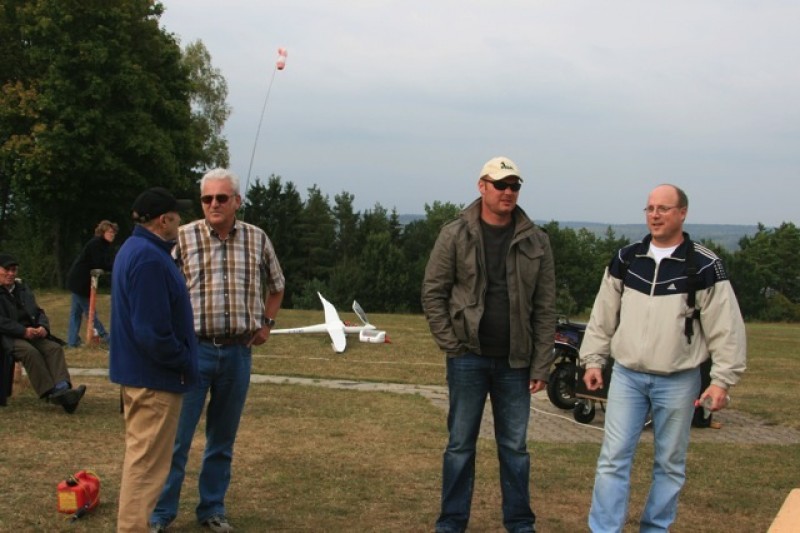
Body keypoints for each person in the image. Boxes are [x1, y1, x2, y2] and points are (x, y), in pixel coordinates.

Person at [579, 184, 747, 532]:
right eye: (650, 208)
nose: (655, 215)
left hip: (679, 379)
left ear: (682, 213)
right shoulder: (627, 259)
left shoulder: (705, 265)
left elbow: (726, 327)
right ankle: (604, 528)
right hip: (627, 375)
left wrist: (721, 381)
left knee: (669, 464)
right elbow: (602, 315)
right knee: (612, 458)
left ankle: (655, 528)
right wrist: (593, 360)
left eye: (663, 209)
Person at [422, 156, 557, 533]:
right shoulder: (455, 234)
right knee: (459, 446)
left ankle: (520, 524)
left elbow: (546, 307)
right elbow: (433, 293)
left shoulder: (537, 240)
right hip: (467, 358)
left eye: (515, 186)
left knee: (515, 449)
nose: (508, 192)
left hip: (516, 363)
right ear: (482, 186)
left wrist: (541, 365)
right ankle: (451, 523)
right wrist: (452, 344)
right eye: (501, 185)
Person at [151, 168, 285, 533]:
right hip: (193, 352)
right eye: (207, 198)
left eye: (221, 198)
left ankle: (212, 509)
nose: (214, 204)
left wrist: (266, 324)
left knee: (222, 441)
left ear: (237, 201)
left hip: (238, 354)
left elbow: (277, 286)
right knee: (176, 440)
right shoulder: (183, 237)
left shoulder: (257, 238)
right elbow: (161, 286)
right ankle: (160, 514)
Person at [110, 187, 200, 532]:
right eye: (177, 216)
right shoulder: (149, 258)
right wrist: (183, 359)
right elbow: (152, 331)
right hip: (154, 381)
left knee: (142, 462)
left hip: (144, 377)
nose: (181, 221)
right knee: (147, 468)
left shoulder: (135, 249)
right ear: (164, 220)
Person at [0, 252, 86, 412]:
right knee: (30, 352)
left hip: (31, 333)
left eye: (14, 270)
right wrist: (23, 331)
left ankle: (62, 387)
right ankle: (51, 392)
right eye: (7, 270)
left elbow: (38, 311)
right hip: (8, 336)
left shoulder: (22, 289)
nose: (11, 274)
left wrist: (43, 327)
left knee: (54, 348)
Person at [66, 219, 118, 347]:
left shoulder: (103, 245)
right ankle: (105, 337)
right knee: (90, 311)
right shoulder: (96, 244)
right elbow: (99, 263)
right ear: (102, 232)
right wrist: (116, 266)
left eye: (113, 232)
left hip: (80, 280)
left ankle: (72, 341)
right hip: (80, 281)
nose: (112, 234)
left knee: (76, 313)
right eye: (109, 232)